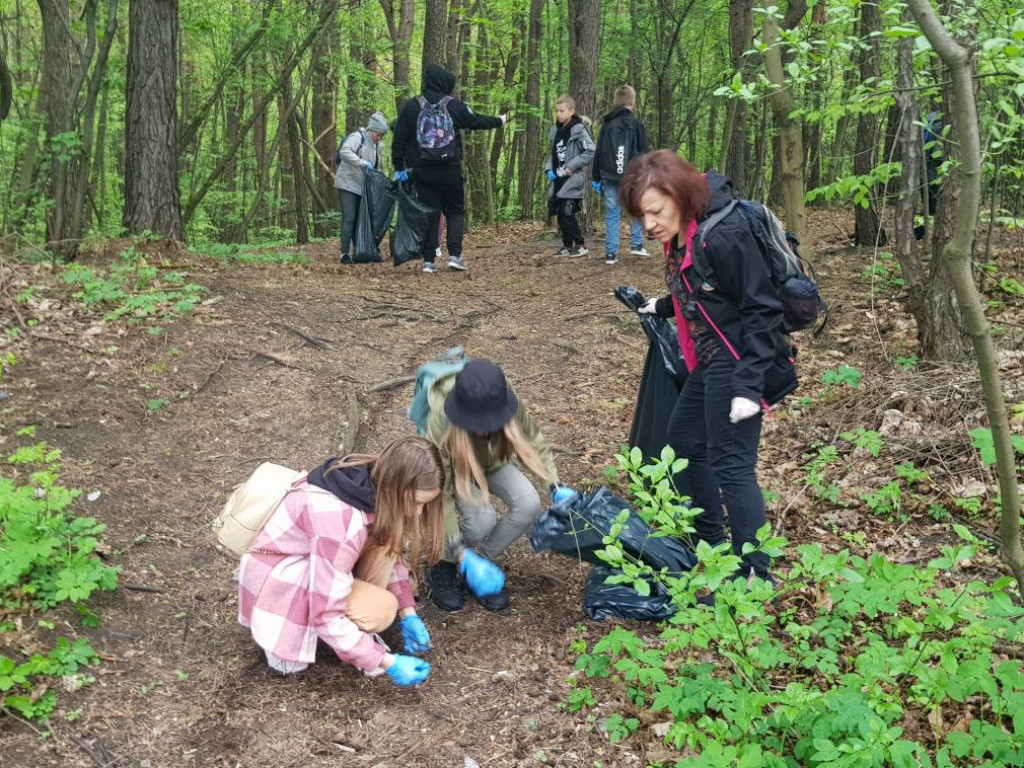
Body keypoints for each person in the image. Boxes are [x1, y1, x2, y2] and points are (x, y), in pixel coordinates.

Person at [618, 150, 797, 586]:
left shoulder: (725, 233)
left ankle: (754, 576)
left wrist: (748, 386)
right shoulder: (682, 235)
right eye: (642, 218)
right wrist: (658, 306)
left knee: (732, 464)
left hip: (739, 361)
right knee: (682, 441)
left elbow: (762, 307)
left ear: (679, 195)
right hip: (713, 356)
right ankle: (711, 543)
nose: (650, 225)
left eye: (656, 212)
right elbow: (701, 291)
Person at [237, 435, 446, 686]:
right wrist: (384, 661)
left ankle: (349, 631)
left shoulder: (368, 481)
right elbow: (326, 614)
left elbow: (388, 552)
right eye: (415, 502)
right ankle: (290, 639)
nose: (418, 512)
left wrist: (408, 612)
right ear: (394, 486)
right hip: (279, 580)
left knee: (387, 540)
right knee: (380, 610)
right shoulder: (341, 522)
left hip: (317, 561)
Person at [422, 360, 573, 612]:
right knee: (482, 519)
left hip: (493, 463)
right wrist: (457, 550)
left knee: (529, 503)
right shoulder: (441, 421)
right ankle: (444, 565)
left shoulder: (502, 398)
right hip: (457, 470)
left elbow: (533, 439)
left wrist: (555, 485)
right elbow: (440, 492)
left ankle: (481, 568)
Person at [391, 65, 507, 274]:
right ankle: (455, 256)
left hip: (422, 170)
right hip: (449, 168)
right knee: (454, 211)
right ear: (445, 83)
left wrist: (399, 167)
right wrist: (498, 121)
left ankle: (428, 261)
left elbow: (399, 140)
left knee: (430, 212)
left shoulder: (412, 106)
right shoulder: (453, 106)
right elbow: (475, 120)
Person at [593, 85, 650, 265]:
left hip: (609, 175)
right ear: (633, 103)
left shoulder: (608, 124)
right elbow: (644, 152)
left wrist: (595, 177)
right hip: (632, 176)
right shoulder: (636, 124)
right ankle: (636, 244)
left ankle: (611, 253)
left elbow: (599, 150)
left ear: (615, 102)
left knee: (612, 213)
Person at [334, 111, 389, 264]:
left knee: (360, 220)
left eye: (381, 136)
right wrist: (362, 163)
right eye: (378, 135)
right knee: (350, 218)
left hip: (362, 188)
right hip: (348, 183)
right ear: (372, 130)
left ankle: (359, 251)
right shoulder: (357, 138)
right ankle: (344, 254)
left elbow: (377, 167)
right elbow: (344, 152)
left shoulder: (377, 147)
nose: (380, 138)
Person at [545, 95, 595, 258]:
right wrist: (548, 169)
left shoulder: (579, 129)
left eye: (562, 111)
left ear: (571, 111)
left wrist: (571, 166)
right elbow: (552, 154)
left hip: (573, 179)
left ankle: (580, 244)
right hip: (558, 179)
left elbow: (590, 151)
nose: (558, 114)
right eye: (556, 111)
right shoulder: (555, 130)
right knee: (559, 213)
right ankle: (567, 245)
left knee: (567, 213)